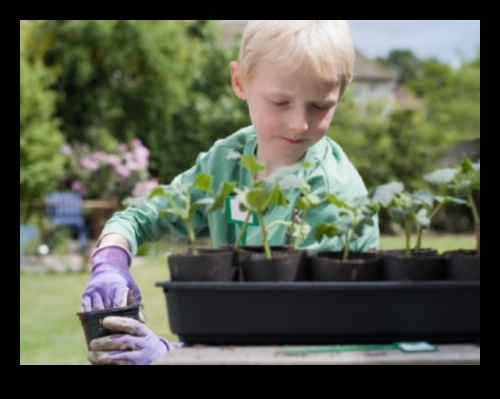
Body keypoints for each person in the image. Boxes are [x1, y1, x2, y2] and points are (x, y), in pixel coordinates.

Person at [81, 20, 380, 365]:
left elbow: (300, 334)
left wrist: (176, 356)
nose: (300, 123)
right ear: (240, 82)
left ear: (341, 93)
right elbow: (139, 216)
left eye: (319, 106)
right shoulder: (228, 161)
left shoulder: (330, 197)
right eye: (280, 101)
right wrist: (110, 263)